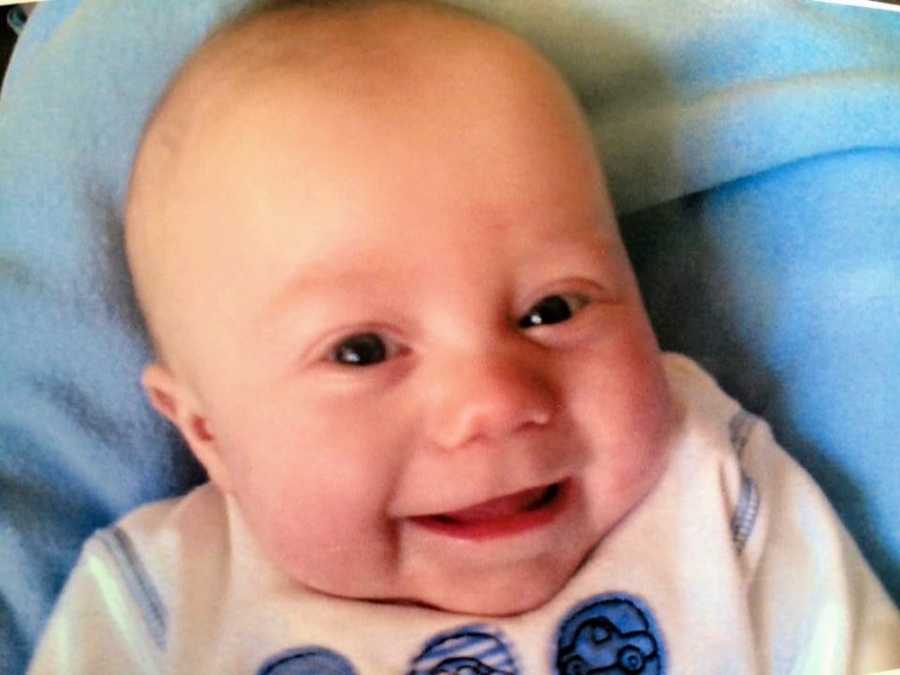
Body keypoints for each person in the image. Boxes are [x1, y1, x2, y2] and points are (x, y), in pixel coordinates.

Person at [27, 1, 900, 672]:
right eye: (362, 350)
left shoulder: (706, 483)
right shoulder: (161, 599)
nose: (493, 401)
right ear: (207, 431)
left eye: (552, 309)